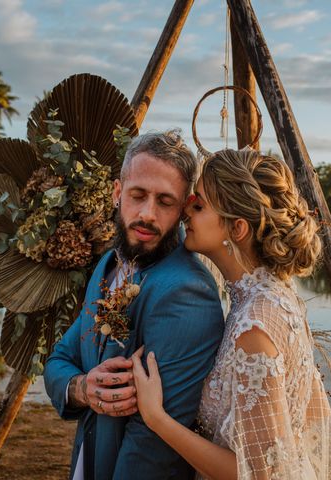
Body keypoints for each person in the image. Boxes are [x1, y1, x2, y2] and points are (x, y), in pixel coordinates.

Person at [131, 149, 331, 479]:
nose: (186, 214)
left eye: (199, 206)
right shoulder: (278, 297)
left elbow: (257, 474)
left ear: (236, 229)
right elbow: (310, 413)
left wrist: (156, 417)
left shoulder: (253, 326)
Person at [44, 131, 225, 480]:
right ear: (117, 192)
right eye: (137, 195)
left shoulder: (187, 292)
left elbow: (153, 444)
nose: (148, 214)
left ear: (184, 206)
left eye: (165, 202)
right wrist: (83, 388)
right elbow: (59, 360)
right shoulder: (109, 264)